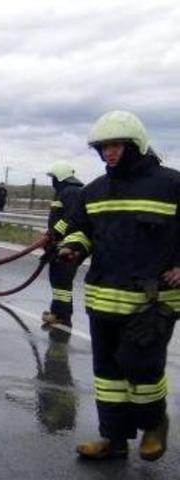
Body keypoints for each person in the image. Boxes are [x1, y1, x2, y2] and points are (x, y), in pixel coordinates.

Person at [57, 111, 179, 461]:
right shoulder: (94, 191)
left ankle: (155, 425)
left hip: (152, 302)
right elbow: (82, 228)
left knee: (140, 367)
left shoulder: (171, 185)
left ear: (135, 145)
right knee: (107, 373)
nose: (108, 153)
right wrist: (72, 248)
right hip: (103, 298)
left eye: (115, 146)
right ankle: (113, 440)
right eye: (103, 147)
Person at [42, 162, 84, 331]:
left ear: (60, 176)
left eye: (53, 178)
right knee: (58, 281)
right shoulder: (63, 192)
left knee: (62, 281)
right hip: (59, 243)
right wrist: (50, 234)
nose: (52, 181)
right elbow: (59, 218)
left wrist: (54, 234)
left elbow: (70, 218)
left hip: (68, 245)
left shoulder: (71, 192)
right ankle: (57, 313)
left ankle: (63, 316)